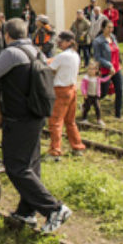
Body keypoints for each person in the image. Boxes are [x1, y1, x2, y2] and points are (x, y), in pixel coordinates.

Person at [0, 18, 71, 233]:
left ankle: (54, 208)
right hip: (36, 114)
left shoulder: (11, 53)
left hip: (18, 118)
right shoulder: (37, 52)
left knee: (15, 166)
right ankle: (26, 213)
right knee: (31, 165)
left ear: (7, 35)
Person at [46, 31, 85, 161]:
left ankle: (55, 151)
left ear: (69, 42)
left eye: (61, 41)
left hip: (60, 90)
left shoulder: (62, 56)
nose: (59, 43)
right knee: (70, 121)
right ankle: (77, 146)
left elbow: (50, 69)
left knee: (55, 122)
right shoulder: (75, 55)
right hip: (72, 89)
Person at [91, 20, 123, 118]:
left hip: (116, 69)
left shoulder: (113, 37)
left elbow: (117, 51)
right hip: (106, 70)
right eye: (108, 28)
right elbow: (97, 58)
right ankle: (88, 103)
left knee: (120, 90)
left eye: (112, 27)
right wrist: (109, 65)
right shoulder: (98, 41)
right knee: (103, 93)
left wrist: (119, 62)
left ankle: (118, 115)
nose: (111, 30)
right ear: (103, 28)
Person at [79, 61, 110, 127]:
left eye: (93, 69)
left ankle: (99, 119)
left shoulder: (97, 77)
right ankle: (84, 118)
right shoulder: (86, 78)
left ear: (96, 70)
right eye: (90, 68)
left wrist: (110, 76)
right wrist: (84, 94)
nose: (91, 70)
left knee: (97, 107)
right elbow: (82, 86)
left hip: (95, 96)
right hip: (88, 95)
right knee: (87, 108)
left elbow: (103, 80)